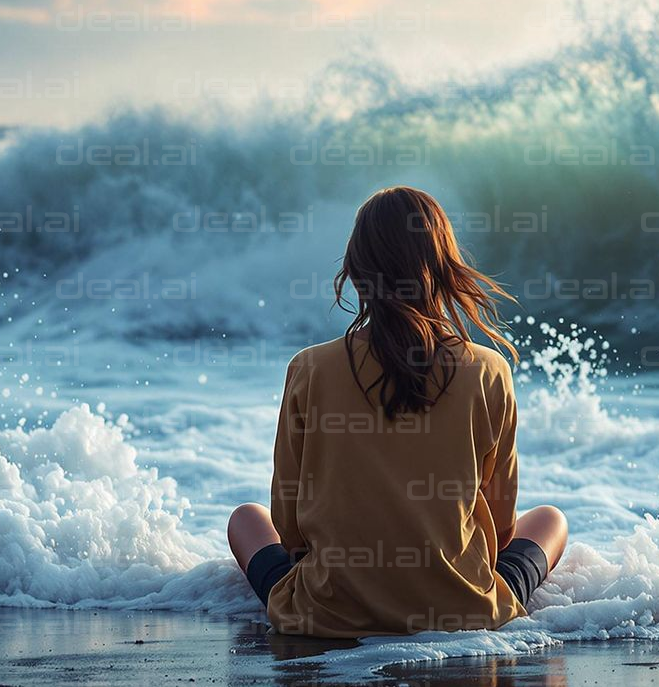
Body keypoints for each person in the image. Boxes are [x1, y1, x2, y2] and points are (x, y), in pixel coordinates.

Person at [227, 185, 568, 638]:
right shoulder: (487, 370)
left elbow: (289, 529)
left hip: (326, 615)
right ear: (445, 268)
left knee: (246, 519)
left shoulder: (309, 367)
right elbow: (503, 531)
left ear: (354, 271)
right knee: (550, 520)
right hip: (463, 614)